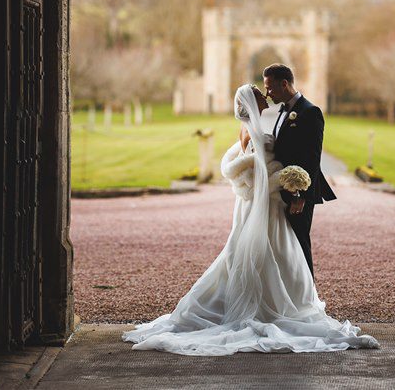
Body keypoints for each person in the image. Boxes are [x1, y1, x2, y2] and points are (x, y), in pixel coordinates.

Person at [123, 81, 378, 356]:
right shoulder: (252, 127)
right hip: (265, 202)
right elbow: (257, 171)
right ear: (251, 103)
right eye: (260, 94)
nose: (266, 96)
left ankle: (291, 299)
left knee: (266, 250)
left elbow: (254, 162)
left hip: (259, 203)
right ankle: (281, 305)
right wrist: (284, 179)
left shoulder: (254, 123)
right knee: (272, 250)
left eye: (267, 90)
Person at [261, 62, 332, 270]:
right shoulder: (283, 111)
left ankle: (307, 295)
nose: (267, 93)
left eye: (270, 87)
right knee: (286, 246)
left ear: (284, 84)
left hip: (299, 191)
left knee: (300, 242)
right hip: (282, 187)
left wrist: (300, 194)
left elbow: (312, 157)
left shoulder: (310, 112)